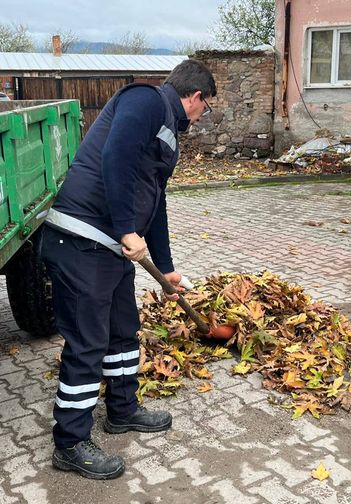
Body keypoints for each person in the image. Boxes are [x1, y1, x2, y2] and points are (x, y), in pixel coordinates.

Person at [40, 59, 217, 480]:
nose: (201, 114)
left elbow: (156, 200)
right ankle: (69, 443)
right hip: (80, 240)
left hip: (111, 250)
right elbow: (115, 156)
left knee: (123, 330)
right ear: (194, 97)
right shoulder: (146, 100)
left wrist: (168, 269)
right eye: (205, 106)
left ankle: (122, 410)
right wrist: (124, 228)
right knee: (88, 343)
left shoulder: (168, 132)